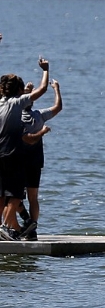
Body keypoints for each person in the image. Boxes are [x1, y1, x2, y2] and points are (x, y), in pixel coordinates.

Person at [0, 57, 49, 240]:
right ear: (19, 91)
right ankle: (5, 227)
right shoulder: (17, 103)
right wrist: (45, 70)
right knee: (15, 196)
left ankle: (10, 228)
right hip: (12, 154)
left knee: (2, 194)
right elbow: (43, 89)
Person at [17, 78, 62, 240]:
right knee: (33, 197)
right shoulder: (39, 116)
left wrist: (26, 91)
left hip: (18, 161)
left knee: (12, 196)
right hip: (35, 161)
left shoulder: (14, 116)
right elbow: (57, 108)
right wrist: (56, 89)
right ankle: (32, 226)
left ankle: (24, 222)